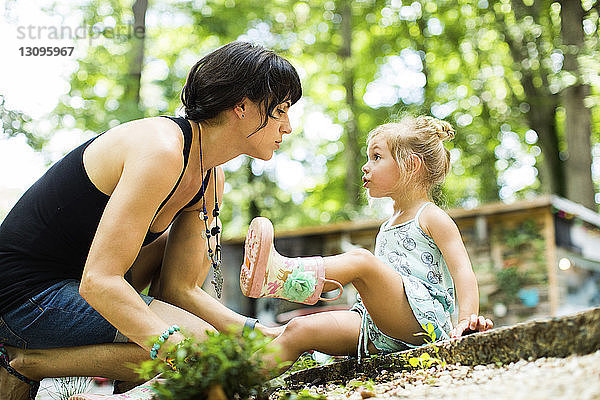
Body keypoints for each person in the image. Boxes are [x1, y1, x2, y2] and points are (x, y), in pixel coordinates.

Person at [0, 41, 300, 400]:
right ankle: (28, 362)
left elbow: (179, 289)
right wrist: (180, 347)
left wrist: (255, 332)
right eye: (280, 110)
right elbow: (99, 281)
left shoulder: (210, 177)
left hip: (79, 286)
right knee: (200, 347)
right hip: (24, 298)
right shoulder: (160, 150)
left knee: (205, 343)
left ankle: (66, 370)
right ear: (242, 106)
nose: (288, 126)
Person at [240, 115, 493, 369]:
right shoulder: (388, 224)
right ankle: (226, 383)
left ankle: (281, 275)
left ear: (411, 165)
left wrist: (466, 322)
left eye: (377, 157)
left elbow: (463, 271)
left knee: (361, 261)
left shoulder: (431, 216)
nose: (366, 166)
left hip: (423, 320)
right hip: (374, 325)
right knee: (298, 329)